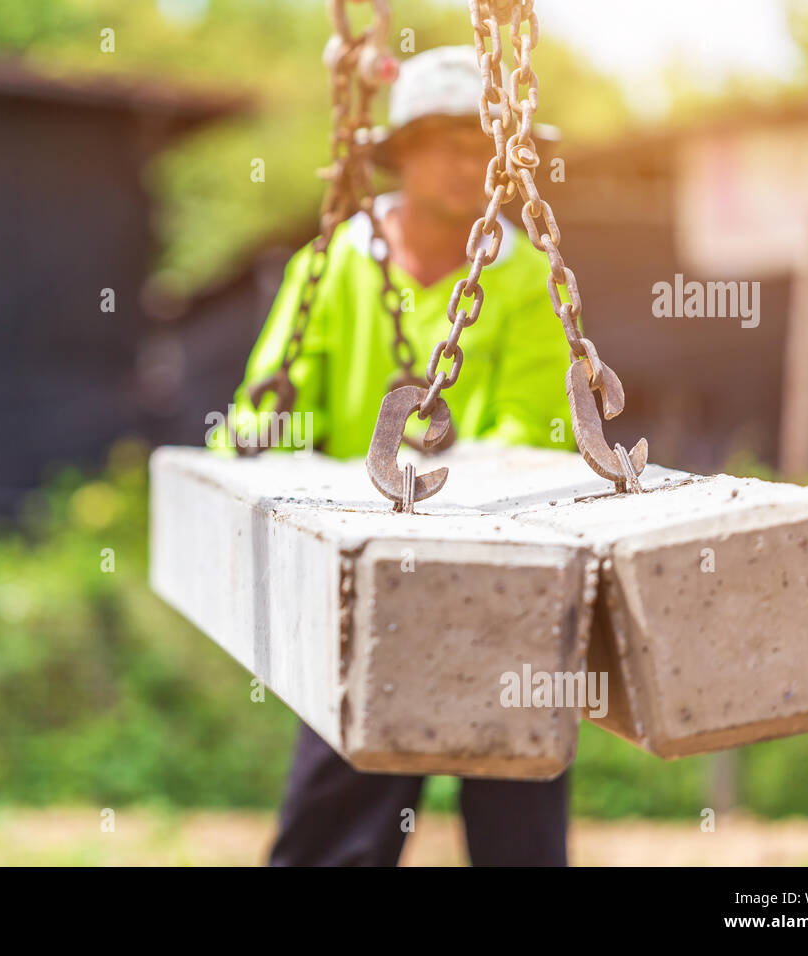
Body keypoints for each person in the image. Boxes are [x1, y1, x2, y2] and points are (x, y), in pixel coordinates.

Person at [223, 45, 576, 866]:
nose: (474, 166)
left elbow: (529, 431)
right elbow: (268, 410)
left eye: (490, 146)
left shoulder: (524, 281)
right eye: (453, 143)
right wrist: (257, 444)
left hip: (504, 587)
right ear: (403, 150)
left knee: (519, 824)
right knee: (339, 817)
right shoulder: (335, 265)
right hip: (363, 588)